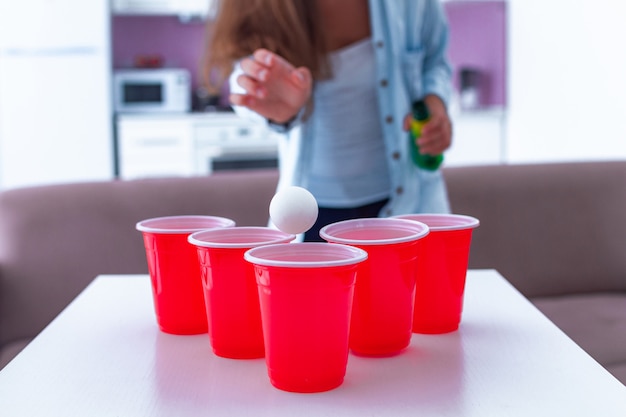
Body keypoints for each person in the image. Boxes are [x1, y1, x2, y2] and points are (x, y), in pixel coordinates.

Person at [203, 0, 453, 241]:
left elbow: (435, 60)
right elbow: (242, 76)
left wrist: (435, 102)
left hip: (407, 202)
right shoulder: (258, 6)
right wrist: (276, 109)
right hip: (310, 216)